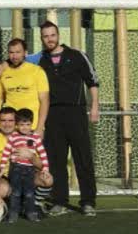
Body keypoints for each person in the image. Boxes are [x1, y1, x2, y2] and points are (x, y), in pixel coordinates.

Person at [38, 20, 100, 217]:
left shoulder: (77, 55)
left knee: (83, 158)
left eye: (52, 35)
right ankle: (59, 201)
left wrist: (95, 106)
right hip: (53, 115)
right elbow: (16, 59)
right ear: (42, 39)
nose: (49, 39)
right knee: (56, 160)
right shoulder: (40, 60)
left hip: (76, 113)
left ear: (58, 35)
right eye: (46, 36)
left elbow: (92, 80)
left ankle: (88, 201)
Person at [0, 107, 54, 218]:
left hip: (28, 173)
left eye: (10, 120)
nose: (7, 124)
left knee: (48, 179)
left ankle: (35, 203)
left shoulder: (30, 137)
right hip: (7, 177)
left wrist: (31, 157)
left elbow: (42, 165)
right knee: (2, 189)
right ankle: (9, 206)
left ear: (16, 122)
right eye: (3, 120)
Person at [0, 108, 49, 223]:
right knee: (15, 192)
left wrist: (45, 168)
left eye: (27, 124)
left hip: (29, 169)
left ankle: (31, 213)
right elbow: (6, 152)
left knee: (29, 193)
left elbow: (42, 153)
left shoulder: (35, 138)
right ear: (17, 125)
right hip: (15, 168)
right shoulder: (13, 137)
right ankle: (13, 214)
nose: (25, 127)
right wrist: (2, 167)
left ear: (32, 124)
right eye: (21, 124)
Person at [0, 38, 50, 138]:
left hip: (31, 127)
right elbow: (1, 99)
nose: (14, 56)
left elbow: (45, 101)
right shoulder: (4, 73)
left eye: (18, 52)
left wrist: (40, 127)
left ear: (25, 53)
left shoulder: (37, 71)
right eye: (11, 52)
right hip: (11, 129)